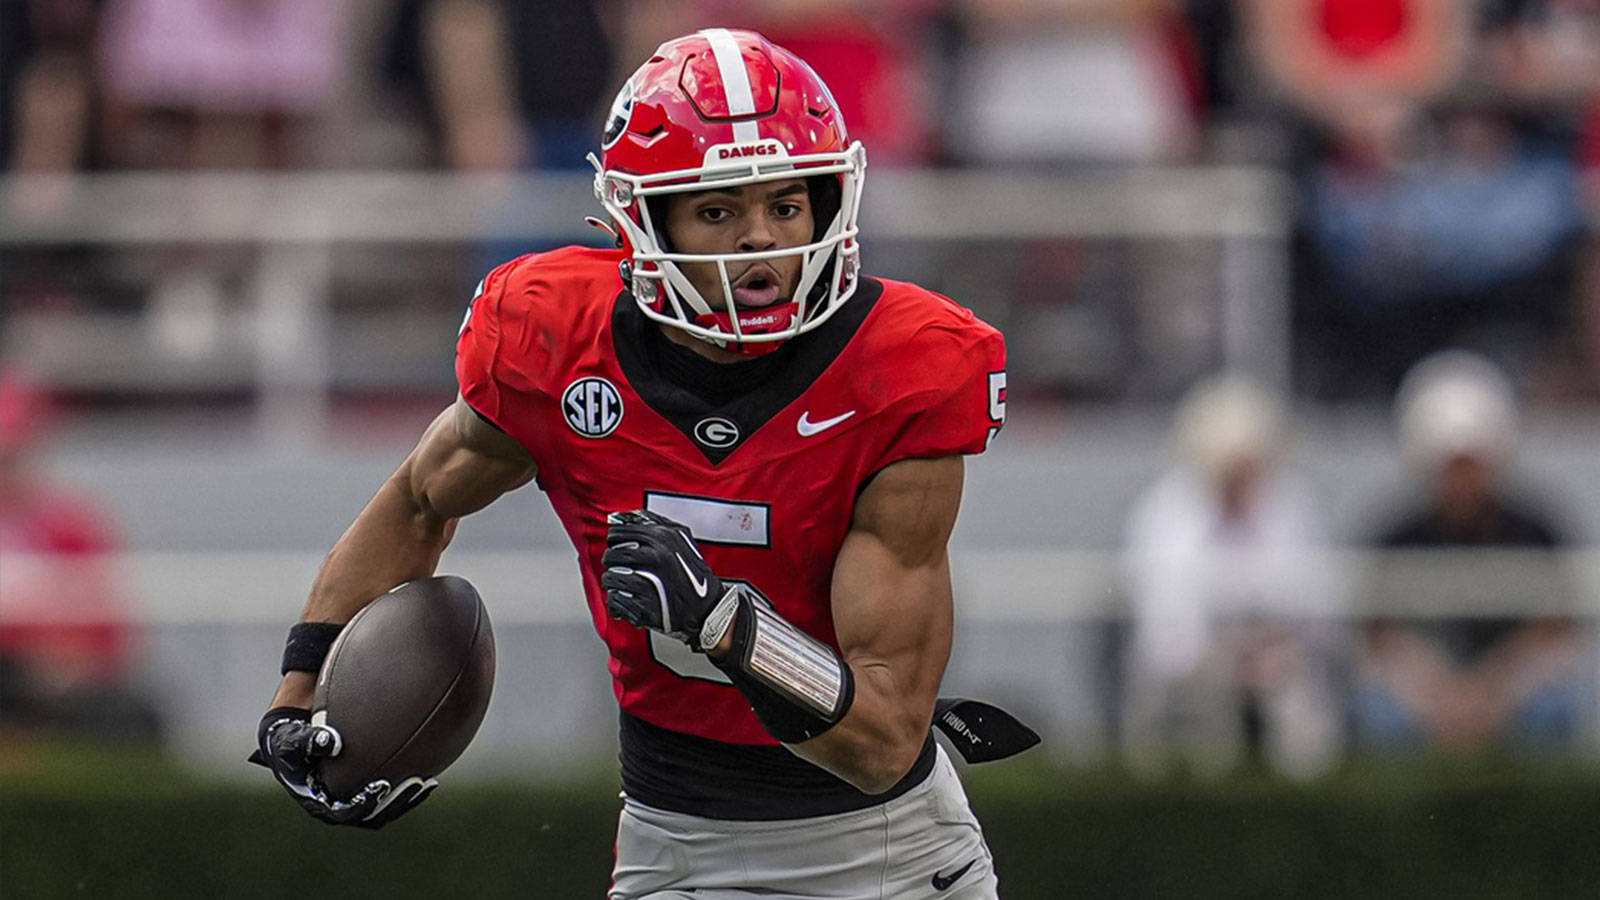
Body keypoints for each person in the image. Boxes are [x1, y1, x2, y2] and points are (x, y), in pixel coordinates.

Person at [251, 29, 1031, 899]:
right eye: (717, 211)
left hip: (882, 855)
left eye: (785, 205)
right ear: (640, 220)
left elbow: (886, 740)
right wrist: (299, 695)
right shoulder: (556, 338)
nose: (759, 244)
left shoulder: (903, 368)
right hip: (675, 845)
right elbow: (419, 501)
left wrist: (726, 627)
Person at [1355, 350, 1587, 752]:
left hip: (1515, 691)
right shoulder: (1396, 536)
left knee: (1553, 711)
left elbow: (1556, 630)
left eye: (1472, 464)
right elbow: (1379, 636)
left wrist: (1493, 693)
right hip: (1423, 694)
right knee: (1378, 717)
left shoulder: (1536, 531)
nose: (1463, 481)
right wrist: (1436, 696)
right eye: (1451, 465)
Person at [1118, 376, 1347, 781]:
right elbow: (1162, 631)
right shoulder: (1165, 511)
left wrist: (1278, 647)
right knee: (1208, 731)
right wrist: (1222, 661)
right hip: (1197, 670)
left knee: (1301, 714)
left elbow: (1321, 606)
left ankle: (1308, 800)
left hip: (1278, 660)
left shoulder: (1292, 504)